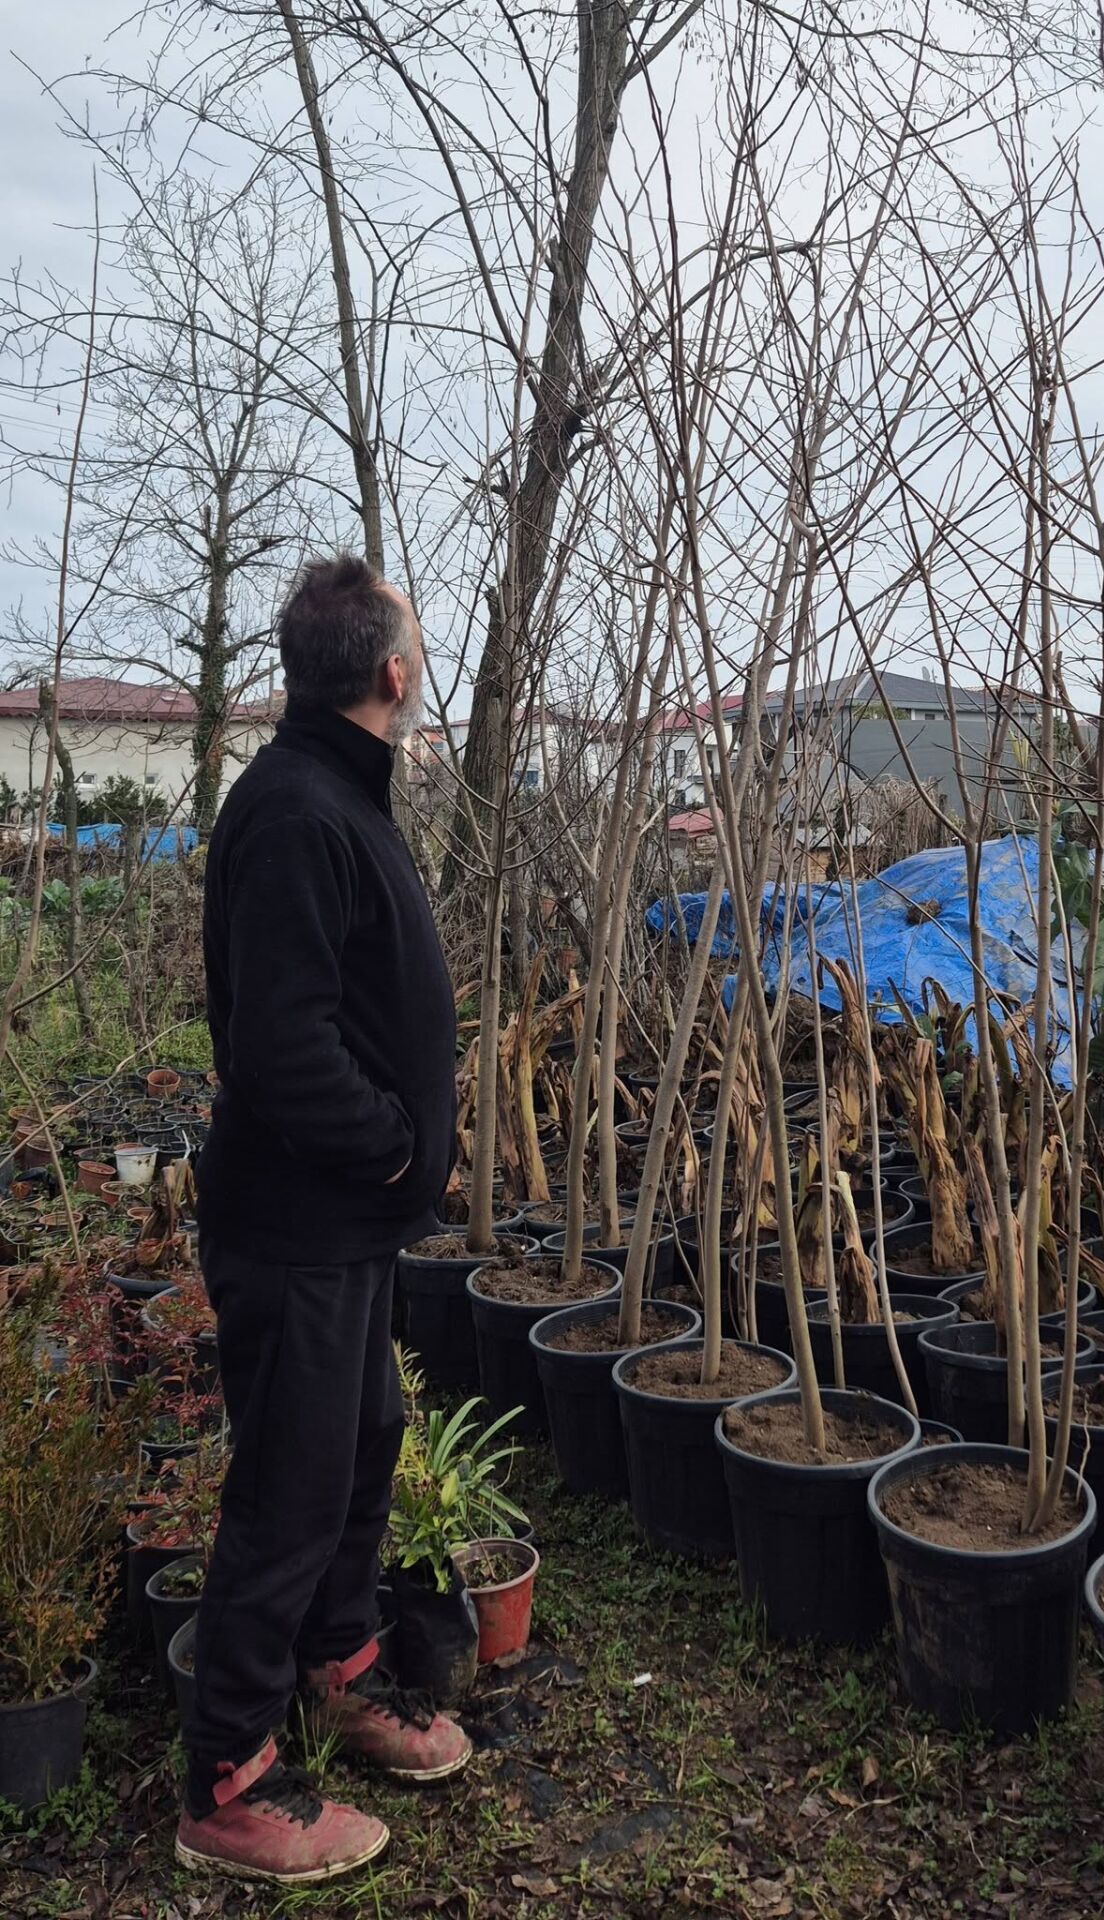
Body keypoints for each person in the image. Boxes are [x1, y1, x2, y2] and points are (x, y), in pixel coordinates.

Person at [179, 555, 468, 1885]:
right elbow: (283, 1055)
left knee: (363, 1440)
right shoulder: (298, 815)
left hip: (341, 1226)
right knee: (288, 1489)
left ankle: (338, 1662)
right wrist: (399, 1145)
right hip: (295, 1222)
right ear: (393, 673)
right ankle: (227, 1777)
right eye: (419, 647)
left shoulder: (333, 796)